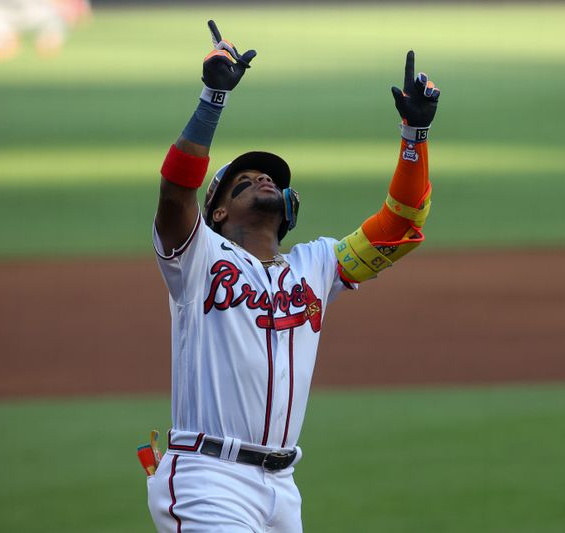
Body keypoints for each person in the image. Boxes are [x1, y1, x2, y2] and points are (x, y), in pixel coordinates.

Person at [145, 20, 439, 533]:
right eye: (244, 181)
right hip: (208, 477)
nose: (263, 180)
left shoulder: (317, 265)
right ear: (216, 212)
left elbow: (400, 227)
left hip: (282, 489)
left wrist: (414, 138)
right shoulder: (196, 258)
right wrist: (213, 96)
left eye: (272, 180)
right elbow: (175, 193)